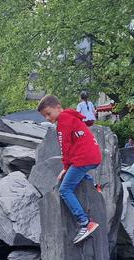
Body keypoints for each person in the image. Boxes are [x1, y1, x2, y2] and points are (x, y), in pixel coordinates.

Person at [37, 94, 102, 244]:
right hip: (92, 157)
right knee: (78, 176)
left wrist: (65, 167)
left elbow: (64, 147)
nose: (47, 118)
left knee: (65, 189)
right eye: (44, 116)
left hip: (83, 158)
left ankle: (85, 222)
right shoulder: (71, 117)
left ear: (58, 108)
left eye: (48, 113)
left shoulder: (63, 121)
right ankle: (94, 187)